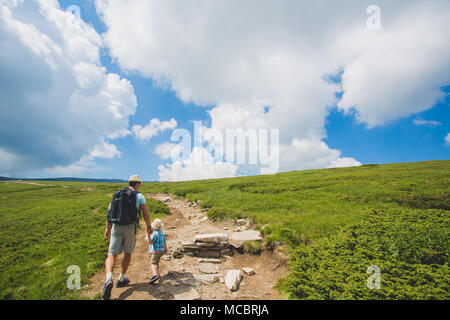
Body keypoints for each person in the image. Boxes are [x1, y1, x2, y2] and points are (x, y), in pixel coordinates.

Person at [102, 175, 153, 300]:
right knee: (128, 253)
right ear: (136, 184)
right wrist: (149, 226)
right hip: (130, 227)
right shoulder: (139, 196)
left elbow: (110, 212)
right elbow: (145, 212)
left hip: (116, 226)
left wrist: (108, 229)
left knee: (111, 255)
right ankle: (121, 278)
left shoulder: (118, 194)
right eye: (139, 184)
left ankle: (108, 279)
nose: (139, 186)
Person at [148, 218, 167, 284]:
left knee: (153, 263)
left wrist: (148, 236)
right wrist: (165, 249)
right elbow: (165, 241)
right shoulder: (162, 233)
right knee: (157, 262)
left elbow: (151, 242)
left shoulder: (155, 234)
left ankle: (155, 275)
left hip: (155, 250)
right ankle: (158, 274)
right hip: (161, 250)